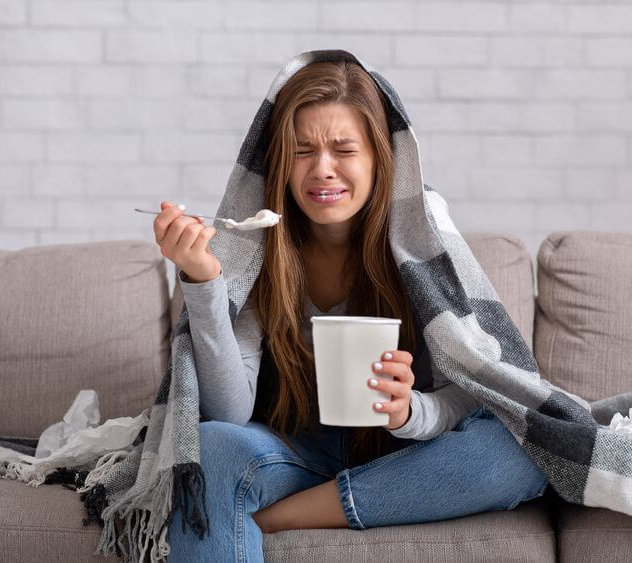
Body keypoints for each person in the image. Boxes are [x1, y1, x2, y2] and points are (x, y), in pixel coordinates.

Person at [151, 54, 548, 562]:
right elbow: (230, 411)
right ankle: (313, 499)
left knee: (520, 449)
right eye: (303, 151)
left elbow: (476, 391)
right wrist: (203, 282)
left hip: (402, 456)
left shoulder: (421, 243)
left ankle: (280, 516)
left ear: (379, 158)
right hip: (292, 449)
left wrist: (410, 412)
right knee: (211, 448)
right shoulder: (256, 251)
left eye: (344, 149)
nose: (322, 170)